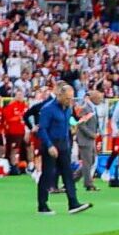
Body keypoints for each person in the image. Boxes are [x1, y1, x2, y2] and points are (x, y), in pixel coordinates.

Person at [34, 82, 92, 214]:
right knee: (47, 175)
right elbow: (42, 129)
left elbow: (67, 122)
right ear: (59, 95)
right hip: (51, 144)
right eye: (67, 98)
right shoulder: (48, 109)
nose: (70, 101)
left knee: (67, 174)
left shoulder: (68, 108)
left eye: (72, 98)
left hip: (63, 144)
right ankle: (42, 205)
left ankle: (73, 203)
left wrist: (72, 128)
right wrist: (49, 146)